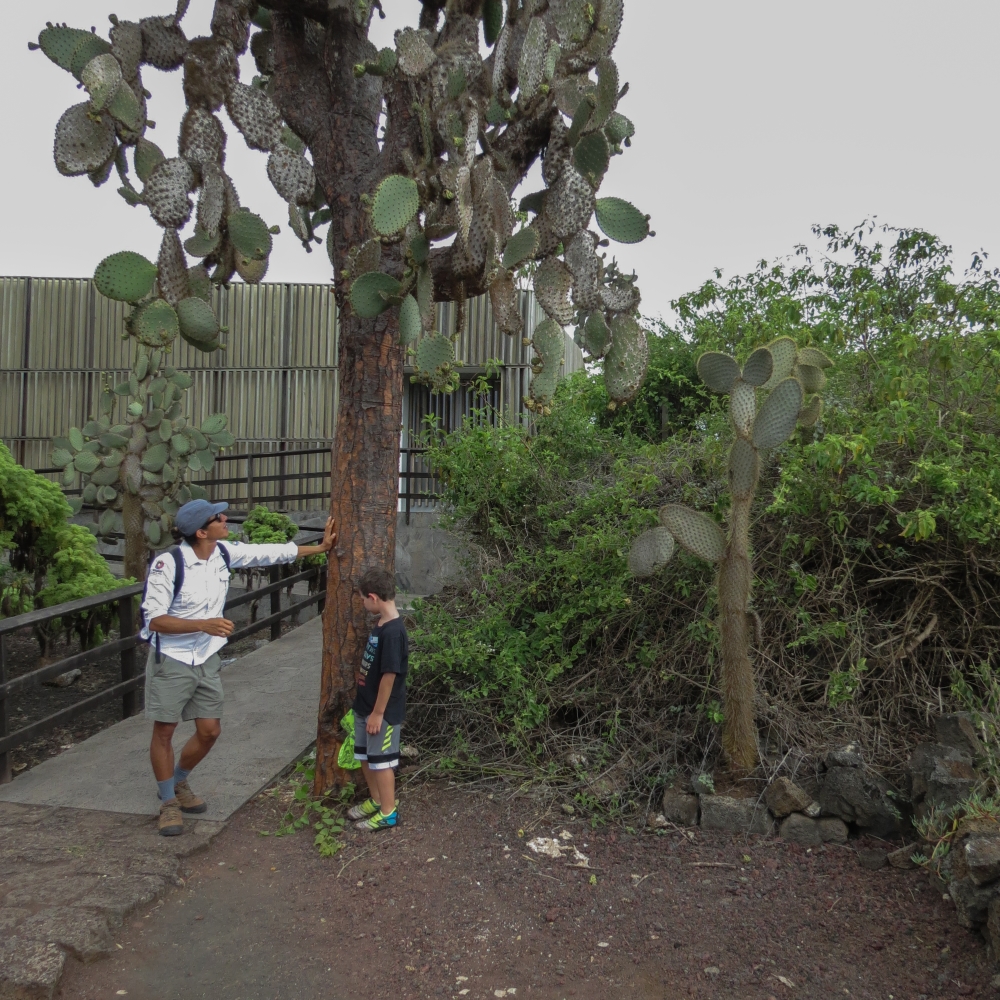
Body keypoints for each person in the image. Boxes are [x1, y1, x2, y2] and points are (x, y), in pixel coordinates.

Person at [141, 498, 337, 837]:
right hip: (171, 658)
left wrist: (319, 548)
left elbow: (267, 552)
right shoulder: (168, 565)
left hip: (206, 656)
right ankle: (168, 801)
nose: (224, 518)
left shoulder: (222, 553)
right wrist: (203, 624)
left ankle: (178, 781)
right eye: (217, 517)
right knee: (165, 731)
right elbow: (155, 620)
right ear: (201, 532)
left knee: (210, 731)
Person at [347, 567, 409, 831]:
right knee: (365, 755)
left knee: (381, 761)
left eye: (363, 599)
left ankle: (388, 812)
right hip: (365, 707)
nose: (363, 603)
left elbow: (389, 675)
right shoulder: (381, 624)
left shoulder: (393, 632)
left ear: (373, 597)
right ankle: (376, 799)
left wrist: (378, 713)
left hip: (381, 712)